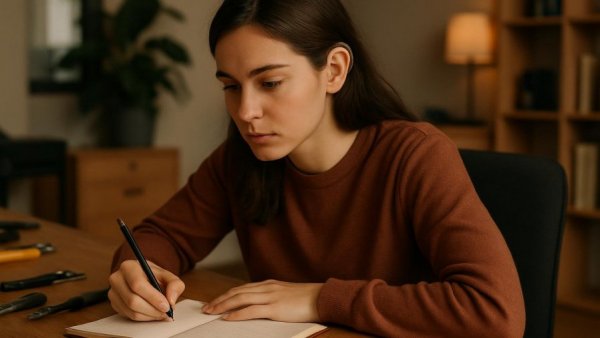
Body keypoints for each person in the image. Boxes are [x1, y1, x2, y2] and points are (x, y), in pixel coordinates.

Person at [108, 0, 526, 336]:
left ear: (335, 70)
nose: (246, 112)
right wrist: (136, 274)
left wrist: (319, 299)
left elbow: (495, 313)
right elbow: (157, 236)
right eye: (231, 87)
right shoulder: (240, 158)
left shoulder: (415, 155)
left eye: (270, 83)